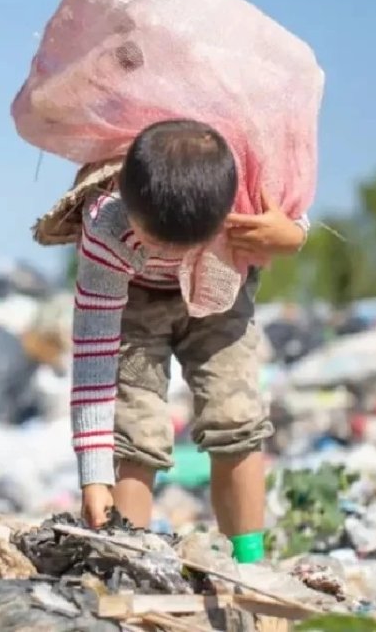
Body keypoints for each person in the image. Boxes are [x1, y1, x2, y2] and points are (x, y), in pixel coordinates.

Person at [65, 118, 310, 565]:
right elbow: (93, 357)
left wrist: (291, 237)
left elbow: (292, 217)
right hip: (135, 303)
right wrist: (94, 475)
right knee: (135, 433)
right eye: (155, 244)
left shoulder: (244, 200)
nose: (170, 257)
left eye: (183, 247)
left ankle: (249, 563)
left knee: (236, 420)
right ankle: (129, 560)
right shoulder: (106, 229)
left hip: (222, 290)